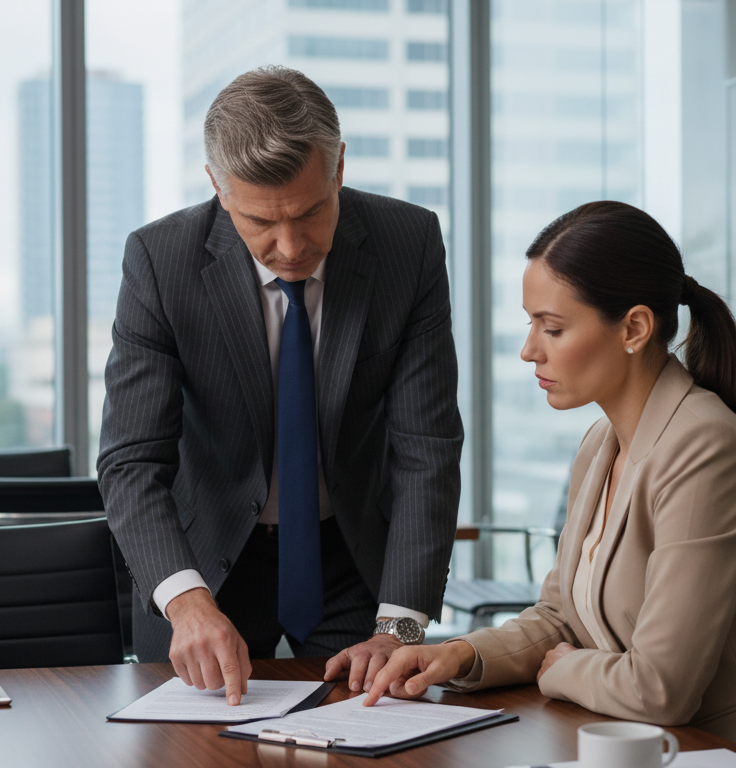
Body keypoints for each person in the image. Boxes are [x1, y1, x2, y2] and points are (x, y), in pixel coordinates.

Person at [364, 201, 736, 768]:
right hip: (649, 748)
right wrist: (459, 654)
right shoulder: (601, 443)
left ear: (634, 328)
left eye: (554, 327)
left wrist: (564, 667)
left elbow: (661, 687)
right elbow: (560, 616)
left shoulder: (705, 448)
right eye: (531, 324)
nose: (529, 350)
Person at [97, 65, 462, 706]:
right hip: (204, 562)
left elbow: (426, 447)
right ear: (217, 187)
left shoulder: (409, 244)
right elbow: (130, 460)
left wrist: (400, 623)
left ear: (339, 166)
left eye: (311, 212)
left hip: (353, 557)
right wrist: (183, 600)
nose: (290, 246)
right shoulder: (161, 262)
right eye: (260, 221)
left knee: (381, 732)